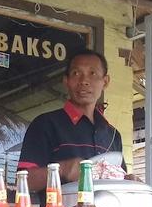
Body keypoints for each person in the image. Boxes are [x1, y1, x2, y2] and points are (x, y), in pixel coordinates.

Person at [18, 49, 131, 199]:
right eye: (76, 73)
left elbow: (118, 178)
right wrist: (62, 169)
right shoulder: (45, 124)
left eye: (93, 73)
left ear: (105, 81)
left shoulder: (113, 134)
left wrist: (129, 181)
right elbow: (24, 181)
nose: (84, 81)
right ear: (66, 81)